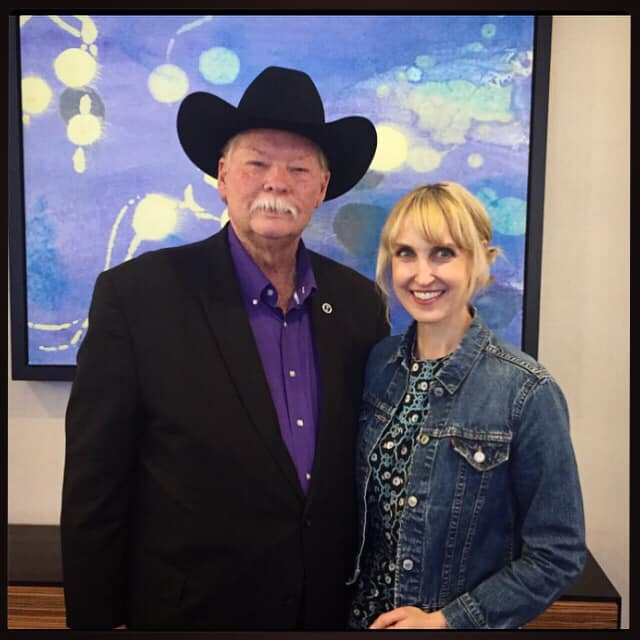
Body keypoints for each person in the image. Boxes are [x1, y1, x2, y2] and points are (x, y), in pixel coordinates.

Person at [60, 66, 389, 630]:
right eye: (257, 163)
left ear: (322, 187)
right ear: (222, 176)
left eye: (299, 168)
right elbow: (96, 481)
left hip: (325, 615)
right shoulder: (137, 297)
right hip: (188, 615)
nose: (277, 182)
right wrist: (95, 620)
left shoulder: (360, 305)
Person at [347, 182, 586, 629]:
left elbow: (558, 554)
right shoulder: (379, 365)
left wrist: (446, 621)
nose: (422, 275)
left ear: (480, 261)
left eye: (442, 253)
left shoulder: (526, 391)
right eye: (405, 253)